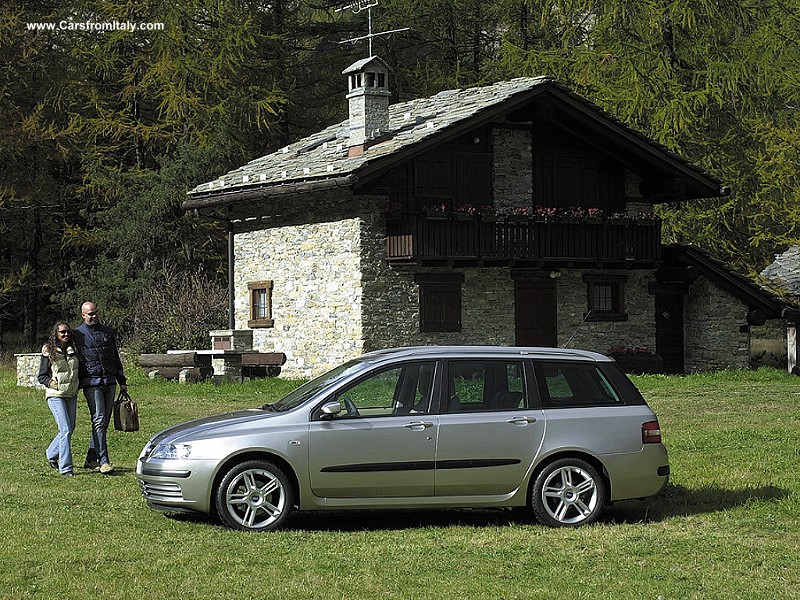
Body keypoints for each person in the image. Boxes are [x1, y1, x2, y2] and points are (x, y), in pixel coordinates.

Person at [72, 301, 128, 474]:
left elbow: (115, 358)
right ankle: (103, 461)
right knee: (99, 420)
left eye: (95, 313)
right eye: (89, 314)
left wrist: (122, 381)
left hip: (109, 381)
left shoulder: (108, 332)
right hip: (91, 383)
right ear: (83, 315)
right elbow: (60, 342)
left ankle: (90, 458)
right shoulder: (76, 334)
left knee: (102, 423)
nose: (93, 316)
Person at [38, 321, 80, 477]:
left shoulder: (73, 349)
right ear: (55, 333)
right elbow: (41, 376)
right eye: (62, 332)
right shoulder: (48, 351)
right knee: (66, 429)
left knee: (70, 428)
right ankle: (66, 468)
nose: (65, 334)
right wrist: (51, 383)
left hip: (71, 394)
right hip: (55, 395)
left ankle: (51, 453)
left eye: (68, 332)